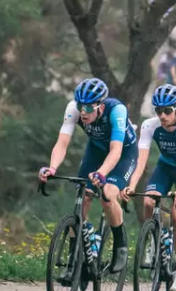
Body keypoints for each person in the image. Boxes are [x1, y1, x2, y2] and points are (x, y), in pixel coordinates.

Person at [39, 77, 137, 273]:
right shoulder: (74, 109)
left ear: (100, 106)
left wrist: (102, 173)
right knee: (82, 196)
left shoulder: (117, 111)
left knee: (108, 194)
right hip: (96, 150)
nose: (83, 112)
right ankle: (74, 261)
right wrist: (52, 168)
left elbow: (116, 150)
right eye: (81, 106)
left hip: (123, 153)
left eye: (89, 108)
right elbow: (62, 142)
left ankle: (120, 246)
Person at [122, 85, 176, 291]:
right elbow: (141, 161)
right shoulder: (150, 126)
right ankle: (153, 242)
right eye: (158, 111)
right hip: (165, 168)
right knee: (148, 200)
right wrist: (131, 185)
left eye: (167, 111)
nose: (162, 116)